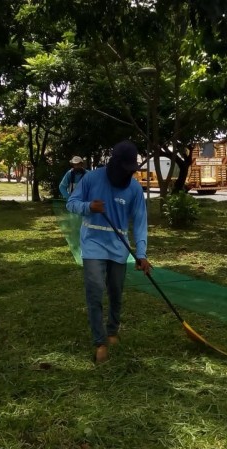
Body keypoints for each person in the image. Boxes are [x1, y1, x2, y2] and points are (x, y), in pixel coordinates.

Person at [67, 140, 151, 364]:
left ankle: (112, 331)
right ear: (114, 163)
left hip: (118, 247)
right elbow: (71, 202)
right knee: (95, 291)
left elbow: (141, 223)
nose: (127, 174)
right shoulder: (92, 178)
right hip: (93, 243)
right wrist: (88, 207)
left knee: (115, 291)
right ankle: (100, 342)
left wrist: (141, 254)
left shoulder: (133, 188)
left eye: (130, 170)